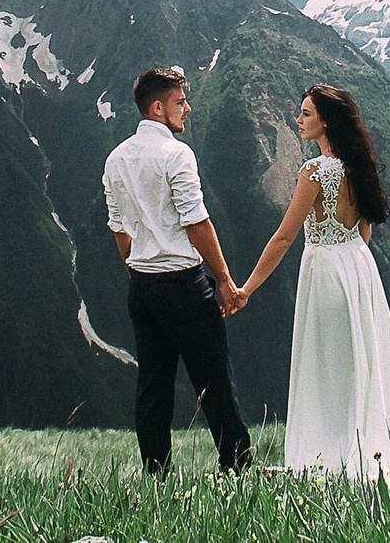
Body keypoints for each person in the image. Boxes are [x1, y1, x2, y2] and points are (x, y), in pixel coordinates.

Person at [237, 83, 390, 478]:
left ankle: (328, 457)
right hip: (358, 268)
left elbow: (284, 237)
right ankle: (363, 452)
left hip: (325, 273)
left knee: (327, 368)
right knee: (360, 363)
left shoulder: (315, 172)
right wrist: (350, 255)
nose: (298, 120)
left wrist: (246, 288)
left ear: (325, 121)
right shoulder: (360, 167)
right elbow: (365, 231)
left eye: (305, 114)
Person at [101, 65, 253, 475]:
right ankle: (236, 468)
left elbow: (119, 228)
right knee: (215, 382)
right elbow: (196, 221)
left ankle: (157, 475)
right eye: (179, 102)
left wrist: (137, 271)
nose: (188, 108)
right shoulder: (176, 154)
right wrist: (223, 280)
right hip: (184, 285)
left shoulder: (116, 159)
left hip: (143, 288)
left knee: (153, 387)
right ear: (156, 108)